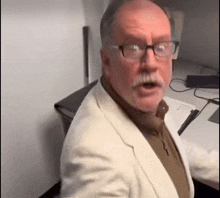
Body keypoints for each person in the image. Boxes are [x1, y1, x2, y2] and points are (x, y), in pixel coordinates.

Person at [60, 0, 217, 197]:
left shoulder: (141, 97)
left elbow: (170, 148)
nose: (151, 63)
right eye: (133, 48)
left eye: (161, 47)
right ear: (107, 61)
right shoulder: (94, 161)